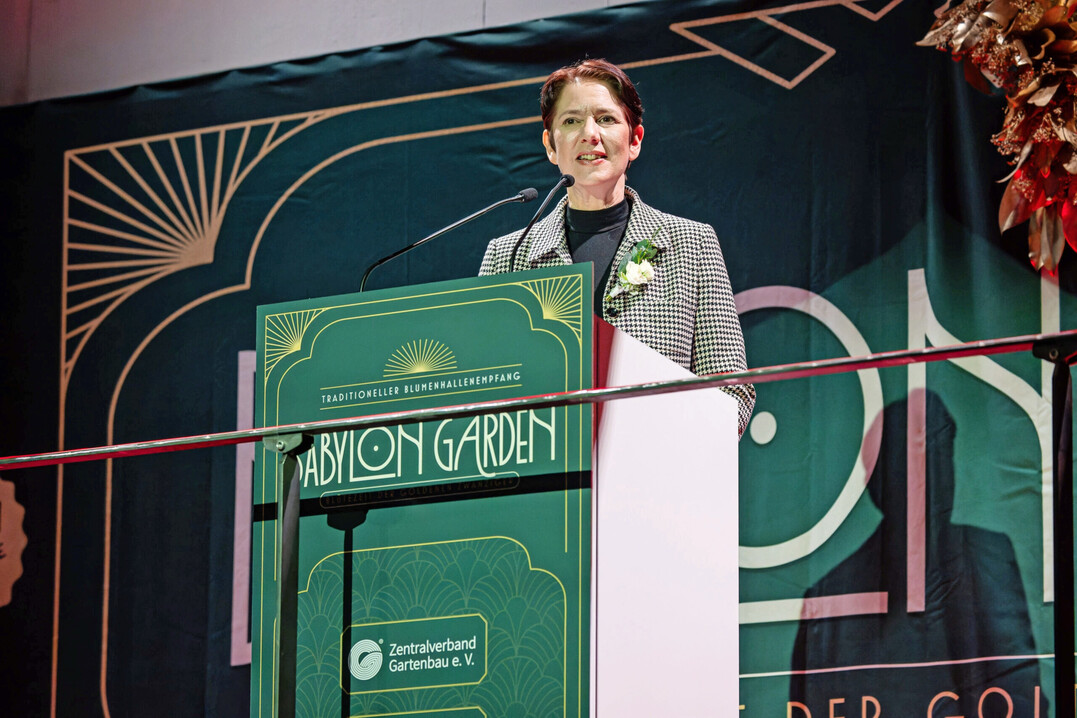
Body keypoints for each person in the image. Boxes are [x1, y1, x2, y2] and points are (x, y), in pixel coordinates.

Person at [479, 59, 755, 436]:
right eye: (571, 121)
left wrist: (676, 452)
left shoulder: (690, 243)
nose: (589, 133)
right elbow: (484, 394)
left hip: (658, 480)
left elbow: (730, 389)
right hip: (546, 481)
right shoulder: (507, 257)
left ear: (635, 139)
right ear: (550, 144)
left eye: (606, 119)